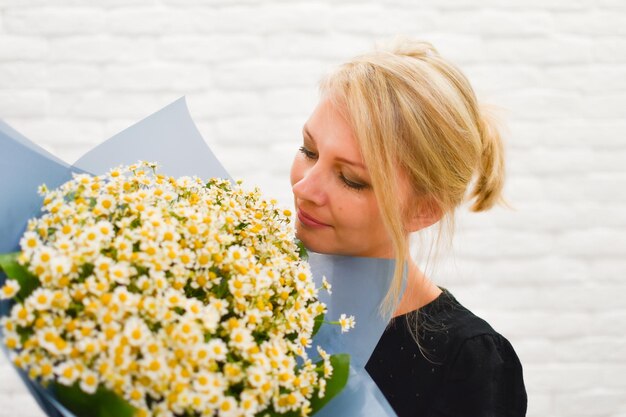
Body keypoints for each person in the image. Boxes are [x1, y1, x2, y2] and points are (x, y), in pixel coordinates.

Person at [289, 38, 527, 417]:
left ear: (423, 211)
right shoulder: (258, 292)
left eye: (351, 179)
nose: (305, 188)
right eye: (308, 151)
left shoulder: (468, 364)